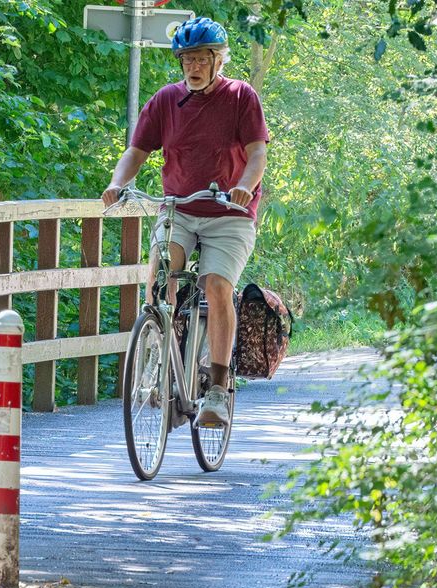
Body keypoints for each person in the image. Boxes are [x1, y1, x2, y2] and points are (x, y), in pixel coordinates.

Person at [101, 17, 269, 429]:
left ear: (218, 60)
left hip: (228, 212)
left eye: (200, 59)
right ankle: (155, 353)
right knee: (161, 273)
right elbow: (136, 152)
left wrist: (245, 187)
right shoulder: (165, 101)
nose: (192, 67)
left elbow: (257, 154)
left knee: (216, 284)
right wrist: (117, 183)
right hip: (178, 208)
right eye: (187, 59)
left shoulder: (240, 97)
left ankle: (215, 388)